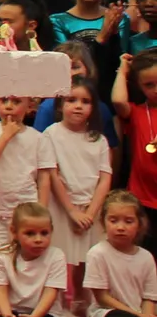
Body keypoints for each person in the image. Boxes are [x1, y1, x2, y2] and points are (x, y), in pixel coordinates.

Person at [0, 95, 56, 315]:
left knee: (28, 256)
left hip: (26, 209)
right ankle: (2, 309)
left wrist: (42, 210)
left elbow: (44, 176)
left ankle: (29, 305)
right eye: (4, 100)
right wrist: (6, 136)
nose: (9, 106)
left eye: (16, 101)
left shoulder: (38, 138)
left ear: (29, 105)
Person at [54, 193, 157, 317]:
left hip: (137, 314)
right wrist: (138, 316)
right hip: (106, 313)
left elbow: (149, 296)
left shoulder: (146, 257)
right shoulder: (98, 253)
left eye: (128, 221)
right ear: (103, 222)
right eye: (113, 221)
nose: (120, 227)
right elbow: (102, 297)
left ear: (139, 224)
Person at [44, 77, 111, 298]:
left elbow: (104, 178)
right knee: (60, 257)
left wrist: (91, 213)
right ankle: (58, 304)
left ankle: (84, 301)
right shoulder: (51, 134)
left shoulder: (99, 140)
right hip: (62, 208)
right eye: (71, 100)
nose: (78, 106)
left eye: (86, 101)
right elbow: (52, 174)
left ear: (94, 107)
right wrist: (71, 211)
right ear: (60, 105)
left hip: (91, 208)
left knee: (86, 259)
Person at [51, 0, 124, 75]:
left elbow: (120, 64)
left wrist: (114, 32)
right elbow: (66, 64)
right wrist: (102, 35)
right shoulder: (58, 21)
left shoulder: (118, 18)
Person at [109, 51, 157, 231]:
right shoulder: (137, 113)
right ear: (139, 86)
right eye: (149, 85)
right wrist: (123, 71)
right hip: (141, 199)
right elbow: (118, 100)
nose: (156, 90)